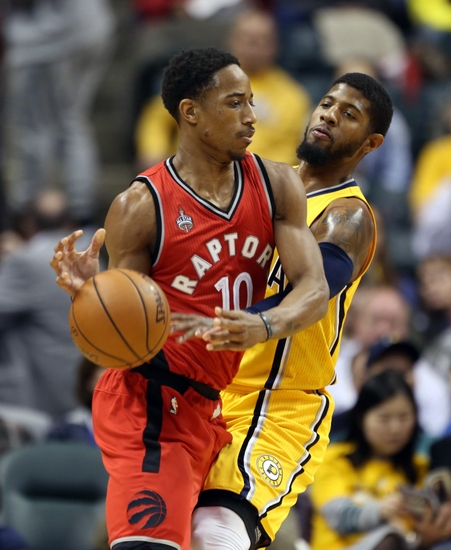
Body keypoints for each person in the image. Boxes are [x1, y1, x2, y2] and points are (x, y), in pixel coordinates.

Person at [50, 47, 329, 550]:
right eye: (235, 103)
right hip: (148, 403)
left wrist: (263, 325)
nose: (251, 116)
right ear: (190, 111)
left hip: (211, 407)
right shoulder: (141, 205)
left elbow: (314, 288)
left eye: (251, 101)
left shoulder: (277, 184)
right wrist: (94, 297)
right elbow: (113, 345)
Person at [172, 71, 392, 549]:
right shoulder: (257, 187)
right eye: (328, 103)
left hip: (278, 402)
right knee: (156, 528)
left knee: (215, 531)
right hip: (210, 388)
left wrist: (255, 321)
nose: (330, 114)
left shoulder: (348, 215)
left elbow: (315, 288)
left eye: (348, 114)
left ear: (371, 143)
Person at [134, 8, 312, 169]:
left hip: (258, 186)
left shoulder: (293, 96)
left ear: (276, 46)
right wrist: (154, 151)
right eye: (249, 40)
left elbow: (288, 154)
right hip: (193, 177)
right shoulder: (201, 80)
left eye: (264, 41)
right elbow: (156, 117)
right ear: (232, 41)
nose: (256, 48)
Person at [309, 370, 428, 550]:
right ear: (361, 418)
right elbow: (337, 516)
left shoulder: (419, 467)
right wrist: (381, 511)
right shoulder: (335, 458)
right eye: (384, 418)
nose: (395, 428)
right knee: (390, 539)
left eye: (404, 417)